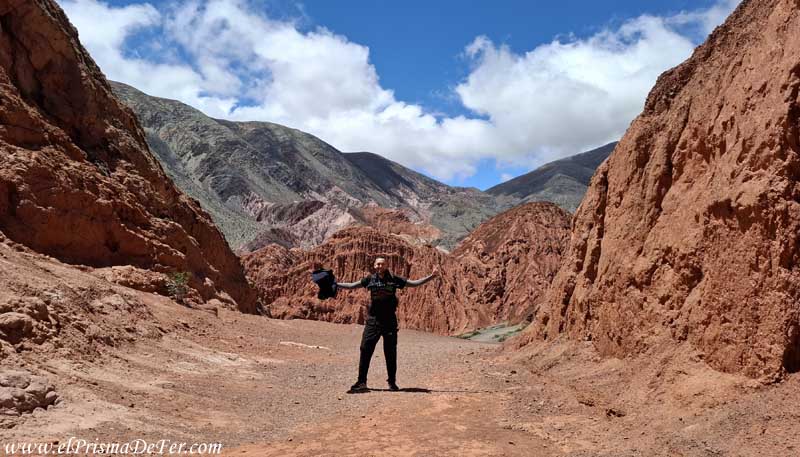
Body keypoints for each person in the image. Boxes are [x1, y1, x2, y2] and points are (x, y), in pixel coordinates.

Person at [337, 257, 439, 392]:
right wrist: (335, 284)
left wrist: (431, 277)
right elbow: (351, 286)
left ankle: (392, 382)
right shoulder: (370, 279)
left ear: (386, 265)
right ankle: (361, 382)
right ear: (374, 266)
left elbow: (413, 284)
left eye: (382, 264)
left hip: (389, 321)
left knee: (390, 352)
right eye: (378, 264)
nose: (380, 266)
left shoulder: (394, 279)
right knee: (365, 349)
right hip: (373, 321)